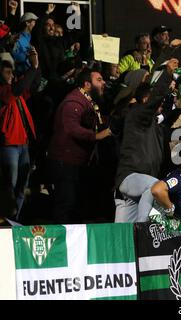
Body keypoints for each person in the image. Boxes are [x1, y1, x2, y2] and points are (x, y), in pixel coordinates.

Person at [114, 60, 176, 223]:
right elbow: (155, 98)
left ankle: (158, 227)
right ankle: (145, 231)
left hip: (142, 193)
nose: (161, 104)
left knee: (124, 235)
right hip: (130, 178)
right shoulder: (135, 115)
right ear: (147, 99)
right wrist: (167, 74)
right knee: (156, 187)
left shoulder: (156, 126)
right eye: (157, 101)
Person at [47, 68, 112, 223]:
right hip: (65, 163)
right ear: (87, 84)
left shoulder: (88, 102)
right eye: (99, 80)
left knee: (75, 206)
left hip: (76, 163)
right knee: (66, 204)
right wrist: (96, 136)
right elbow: (70, 128)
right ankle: (61, 243)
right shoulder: (73, 102)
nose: (104, 83)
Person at [0, 49, 40, 221]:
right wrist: (33, 67)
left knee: (22, 187)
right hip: (9, 146)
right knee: (10, 185)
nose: (11, 75)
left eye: (12, 72)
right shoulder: (3, 91)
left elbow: (33, 84)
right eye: (7, 72)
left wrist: (36, 66)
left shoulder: (15, 90)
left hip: (23, 145)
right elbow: (20, 88)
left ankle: (13, 221)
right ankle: (5, 219)